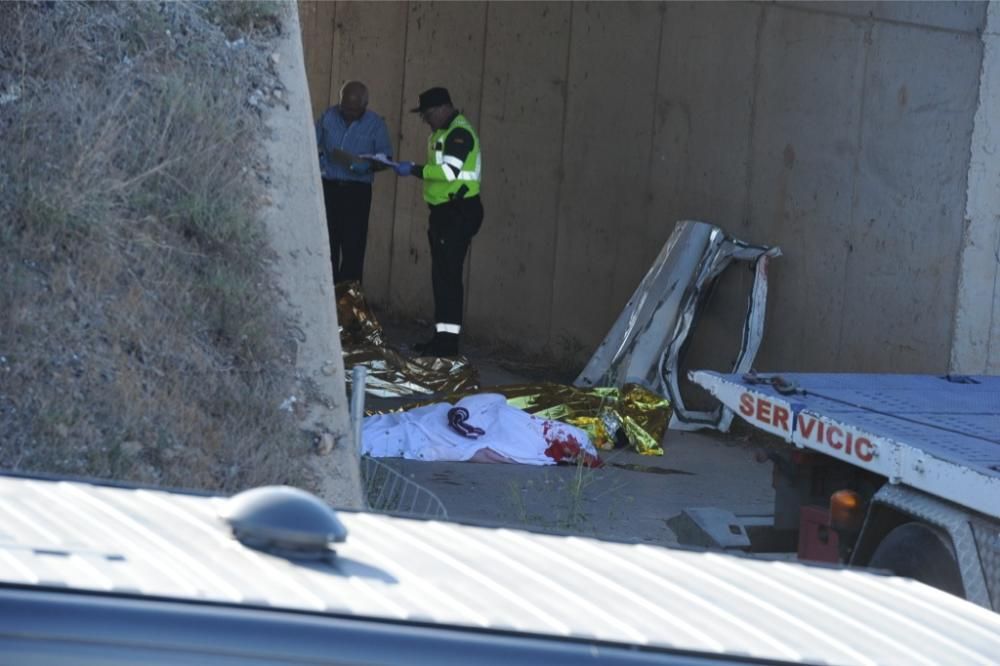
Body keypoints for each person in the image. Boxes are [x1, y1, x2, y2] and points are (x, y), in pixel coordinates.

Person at [393, 87, 483, 358]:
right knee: (442, 279)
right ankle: (441, 339)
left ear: (444, 108)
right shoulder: (442, 133)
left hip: (457, 212)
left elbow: (449, 171)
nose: (426, 120)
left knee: (448, 279)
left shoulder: (459, 133)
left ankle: (448, 345)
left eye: (428, 114)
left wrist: (413, 169)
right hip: (445, 213)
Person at [315, 81, 393, 285]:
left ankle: (347, 311)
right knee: (325, 248)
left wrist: (368, 166)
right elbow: (311, 143)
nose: (348, 113)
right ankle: (326, 305)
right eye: (344, 107)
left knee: (353, 250)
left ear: (364, 105)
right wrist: (320, 157)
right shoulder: (328, 116)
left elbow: (386, 159)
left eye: (353, 109)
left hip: (357, 192)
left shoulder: (376, 124)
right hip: (329, 189)